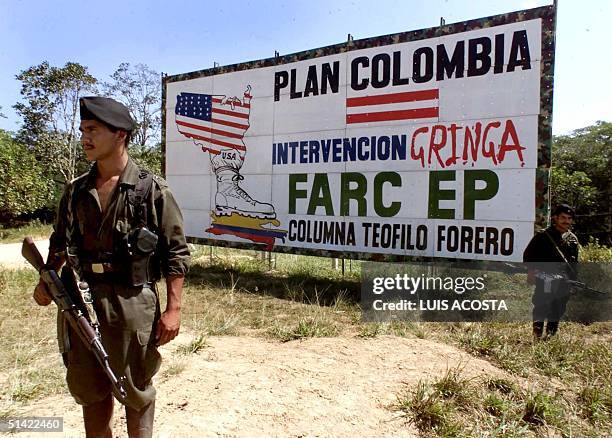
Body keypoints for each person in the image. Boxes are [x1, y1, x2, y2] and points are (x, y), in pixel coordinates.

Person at [32, 96, 190, 437]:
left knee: (135, 390)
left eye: (93, 130)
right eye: (83, 130)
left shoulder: (151, 190)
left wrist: (173, 309)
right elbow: (59, 242)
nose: (85, 138)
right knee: (90, 390)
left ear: (120, 134)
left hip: (133, 301)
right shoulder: (75, 191)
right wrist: (47, 278)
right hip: (81, 302)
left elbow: (176, 253)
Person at [523, 204, 579, 340]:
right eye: (563, 218)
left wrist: (573, 282)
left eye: (569, 218)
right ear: (555, 218)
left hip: (563, 280)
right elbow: (528, 255)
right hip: (545, 277)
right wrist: (532, 272)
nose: (566, 221)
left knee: (558, 308)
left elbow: (573, 263)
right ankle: (537, 336)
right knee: (542, 305)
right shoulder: (543, 236)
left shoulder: (572, 239)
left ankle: (550, 337)